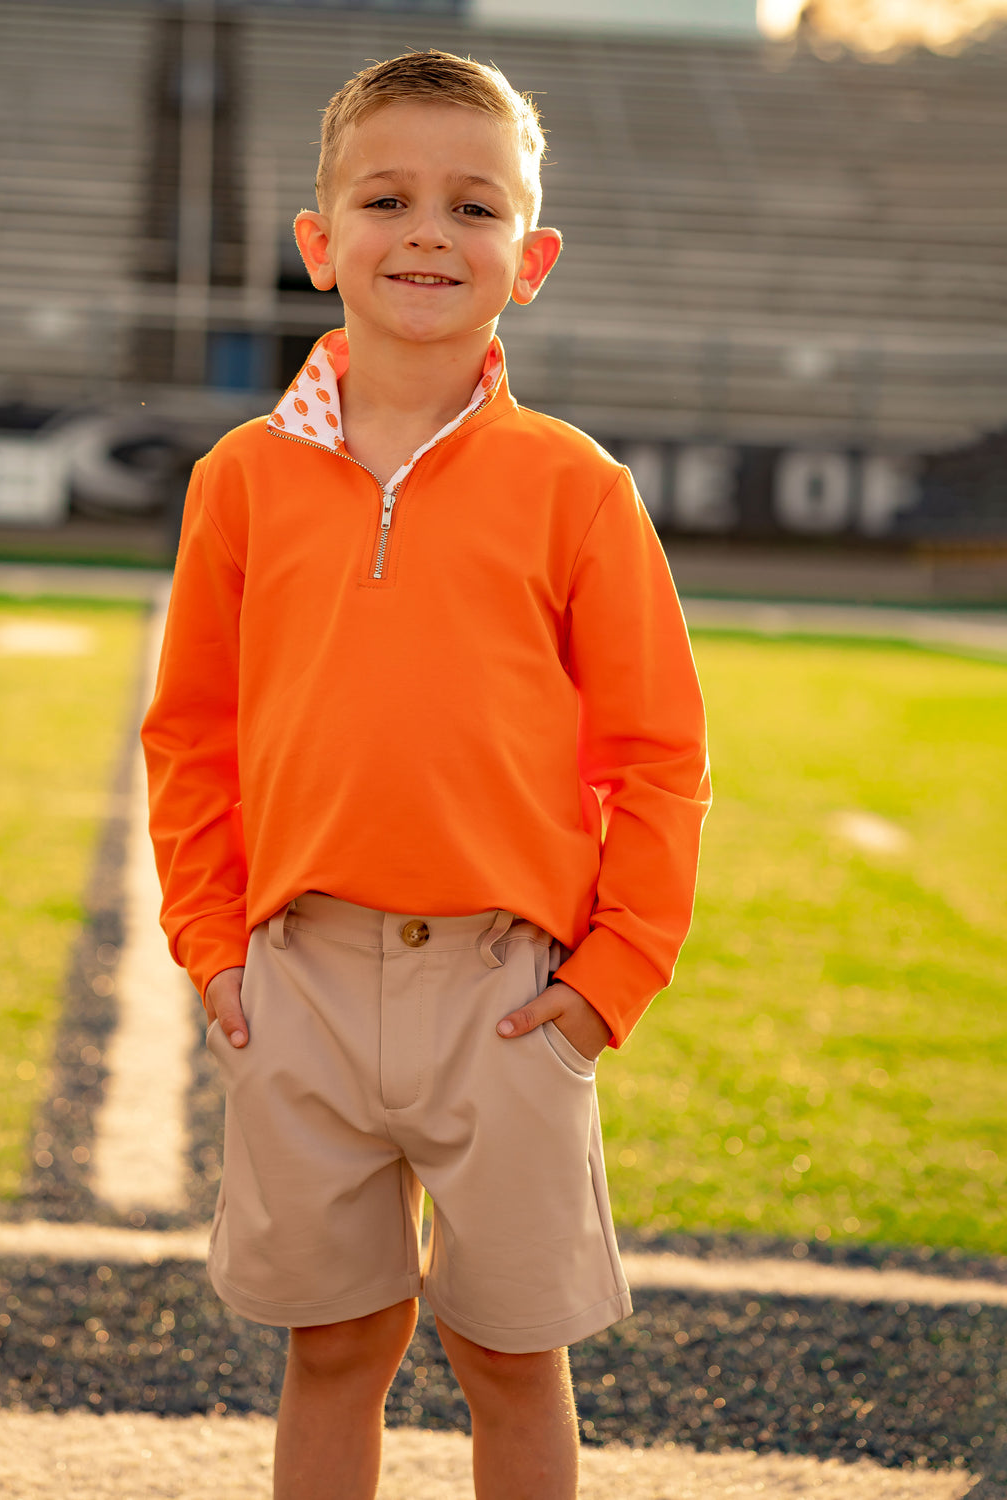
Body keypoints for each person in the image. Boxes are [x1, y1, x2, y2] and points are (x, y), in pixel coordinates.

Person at [141, 48, 710, 1500]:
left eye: (476, 207)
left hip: (511, 995)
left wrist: (609, 979)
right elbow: (191, 734)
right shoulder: (241, 481)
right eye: (387, 198)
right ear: (321, 241)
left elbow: (656, 755)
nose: (430, 234)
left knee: (514, 1357)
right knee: (334, 1347)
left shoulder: (579, 490)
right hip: (302, 978)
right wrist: (216, 949)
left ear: (532, 258)